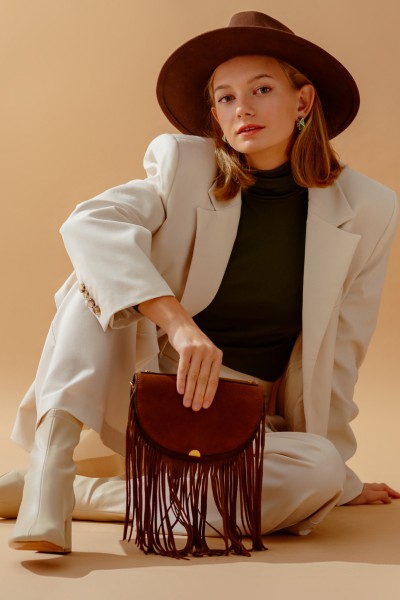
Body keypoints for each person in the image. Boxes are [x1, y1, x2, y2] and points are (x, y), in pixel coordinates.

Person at [3, 11, 399, 554]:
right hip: (150, 382)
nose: (244, 110)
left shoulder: (369, 209)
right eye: (226, 97)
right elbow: (89, 223)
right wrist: (178, 323)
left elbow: (342, 353)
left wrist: (337, 485)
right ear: (214, 112)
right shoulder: (183, 164)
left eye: (262, 89)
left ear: (303, 101)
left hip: (240, 416)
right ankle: (49, 468)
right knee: (91, 282)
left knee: (320, 474)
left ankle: (82, 495)